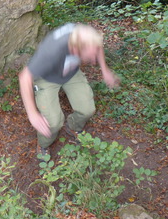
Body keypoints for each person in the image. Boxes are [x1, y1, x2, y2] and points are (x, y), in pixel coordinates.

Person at [18, 23, 120, 156]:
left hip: (71, 73)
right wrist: (32, 114)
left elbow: (97, 45)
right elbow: (24, 77)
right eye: (90, 56)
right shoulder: (51, 50)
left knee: (87, 110)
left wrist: (105, 70)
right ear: (76, 49)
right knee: (52, 123)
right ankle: (44, 144)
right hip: (47, 78)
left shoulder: (85, 36)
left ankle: (73, 127)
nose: (93, 61)